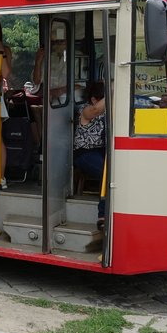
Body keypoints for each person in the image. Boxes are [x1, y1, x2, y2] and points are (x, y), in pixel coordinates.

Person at [74, 81, 107, 229]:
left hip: (102, 150)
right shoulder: (85, 110)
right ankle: (103, 214)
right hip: (84, 153)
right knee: (108, 173)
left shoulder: (106, 111)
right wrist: (115, 90)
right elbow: (95, 110)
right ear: (94, 100)